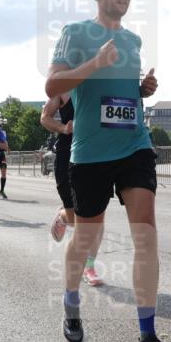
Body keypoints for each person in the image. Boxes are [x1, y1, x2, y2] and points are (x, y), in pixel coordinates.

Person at [45, 0, 171, 342]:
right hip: (89, 154)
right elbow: (53, 87)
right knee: (85, 239)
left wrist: (141, 91)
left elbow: (120, 92)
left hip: (134, 145)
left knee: (146, 235)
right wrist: (96, 61)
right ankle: (71, 304)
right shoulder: (75, 33)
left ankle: (148, 335)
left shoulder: (133, 41)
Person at [42, 93, 104, 286]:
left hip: (97, 155)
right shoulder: (63, 88)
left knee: (97, 217)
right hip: (68, 156)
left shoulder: (100, 85)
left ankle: (90, 267)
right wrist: (63, 127)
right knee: (76, 219)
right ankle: (63, 216)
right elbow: (45, 117)